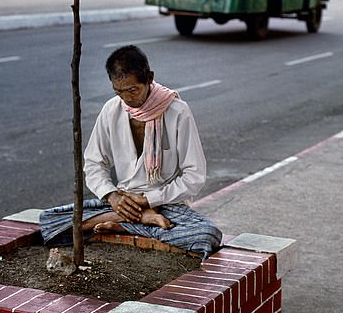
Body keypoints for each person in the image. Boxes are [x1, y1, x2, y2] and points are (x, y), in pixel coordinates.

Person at [39, 46, 222, 259]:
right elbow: (93, 163)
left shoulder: (178, 112)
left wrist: (149, 200)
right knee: (49, 221)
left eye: (133, 90)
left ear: (149, 79)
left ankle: (123, 223)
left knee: (207, 235)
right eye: (119, 91)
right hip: (122, 203)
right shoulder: (111, 110)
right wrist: (113, 196)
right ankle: (138, 220)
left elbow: (194, 176)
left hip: (168, 206)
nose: (126, 98)